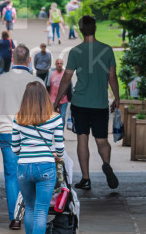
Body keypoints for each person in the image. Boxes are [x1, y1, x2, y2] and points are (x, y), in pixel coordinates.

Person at [52, 15, 121, 191]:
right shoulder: (106, 50)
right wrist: (117, 97)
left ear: (81, 30)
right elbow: (112, 76)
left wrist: (58, 99)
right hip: (100, 103)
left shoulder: (75, 52)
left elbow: (66, 77)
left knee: (82, 139)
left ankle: (86, 178)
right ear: (95, 28)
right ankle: (106, 164)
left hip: (80, 103)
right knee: (102, 139)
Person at [0, 44, 40, 230]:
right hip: (31, 132)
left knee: (11, 175)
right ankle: (31, 211)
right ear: (29, 60)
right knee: (31, 174)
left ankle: (15, 217)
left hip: (8, 131)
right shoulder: (35, 81)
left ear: (13, 59)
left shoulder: (0, 81)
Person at [11, 81, 64, 234]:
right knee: (42, 210)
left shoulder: (18, 118)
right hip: (46, 167)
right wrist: (53, 153)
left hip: (24, 168)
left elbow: (15, 148)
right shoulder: (55, 118)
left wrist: (27, 152)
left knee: (30, 209)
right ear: (45, 97)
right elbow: (60, 148)